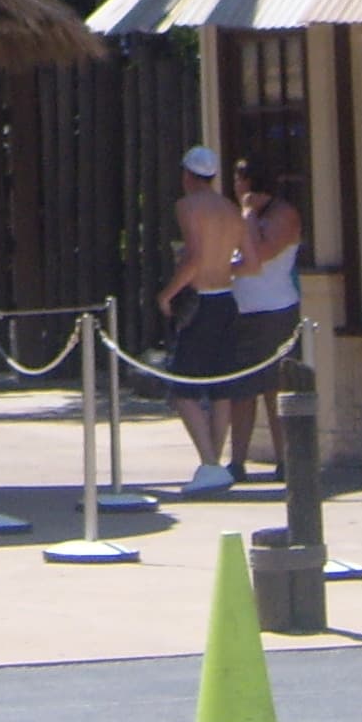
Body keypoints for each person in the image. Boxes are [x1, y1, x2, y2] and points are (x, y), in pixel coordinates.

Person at [157, 144, 257, 494]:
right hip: (226, 300)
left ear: (187, 175)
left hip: (200, 300)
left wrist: (167, 294)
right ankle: (214, 464)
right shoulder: (231, 210)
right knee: (220, 388)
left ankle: (210, 462)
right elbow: (253, 262)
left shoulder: (187, 207)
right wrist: (222, 267)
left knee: (183, 387)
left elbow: (195, 258)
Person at [216, 154, 307, 480]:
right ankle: (237, 462)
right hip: (242, 311)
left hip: (275, 311)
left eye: (239, 180)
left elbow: (259, 257)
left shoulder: (283, 215)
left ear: (249, 182)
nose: (235, 186)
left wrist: (250, 214)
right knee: (242, 392)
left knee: (275, 390)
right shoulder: (240, 215)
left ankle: (286, 460)